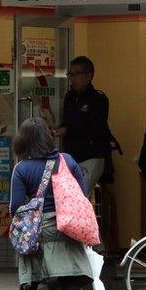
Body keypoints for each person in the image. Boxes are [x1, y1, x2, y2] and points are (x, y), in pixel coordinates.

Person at [11, 117, 94, 290]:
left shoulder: (22, 168)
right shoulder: (66, 160)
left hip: (37, 231)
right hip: (66, 227)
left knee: (29, 281)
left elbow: (15, 207)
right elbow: (82, 193)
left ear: (23, 140)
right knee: (70, 281)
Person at [54, 56, 110, 194]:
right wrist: (57, 128)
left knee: (77, 195)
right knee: (69, 196)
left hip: (91, 157)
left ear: (89, 75)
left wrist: (67, 131)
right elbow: (68, 122)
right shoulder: (70, 97)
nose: (73, 78)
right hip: (72, 156)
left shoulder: (98, 99)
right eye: (70, 74)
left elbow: (95, 128)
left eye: (77, 74)